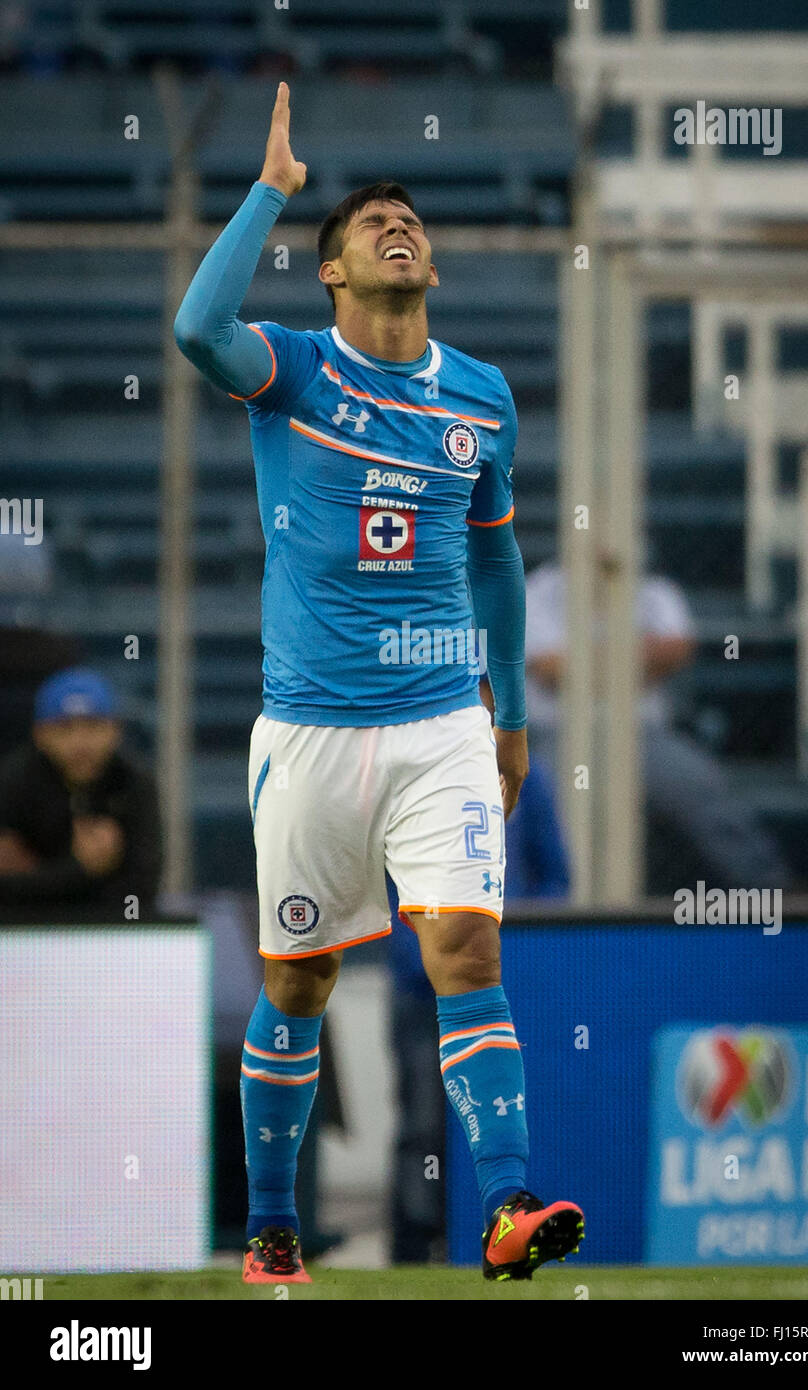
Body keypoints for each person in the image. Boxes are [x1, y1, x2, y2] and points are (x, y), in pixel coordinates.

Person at [174, 83, 584, 1284]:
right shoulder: (294, 370)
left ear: (433, 270)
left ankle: (507, 1205)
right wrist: (272, 191)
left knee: (465, 948)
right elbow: (199, 329)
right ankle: (271, 1226)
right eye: (369, 225)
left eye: (409, 218)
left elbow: (499, 555)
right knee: (298, 978)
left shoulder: (483, 397)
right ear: (333, 277)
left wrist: (508, 716)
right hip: (308, 734)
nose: (397, 226)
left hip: (444, 725)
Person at [525, 562, 791, 892]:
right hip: (560, 733)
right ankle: (551, 908)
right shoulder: (541, 588)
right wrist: (634, 659)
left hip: (643, 735)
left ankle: (771, 890)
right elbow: (549, 669)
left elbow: (675, 652)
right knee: (544, 801)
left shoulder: (654, 590)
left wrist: (581, 661)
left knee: (701, 787)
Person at [0, 667, 162, 920]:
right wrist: (84, 870)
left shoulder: (134, 785)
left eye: (93, 725)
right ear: (40, 734)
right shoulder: (14, 783)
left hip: (113, 941)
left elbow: (141, 894)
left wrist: (42, 877)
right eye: (64, 727)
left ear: (115, 730)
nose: (80, 742)